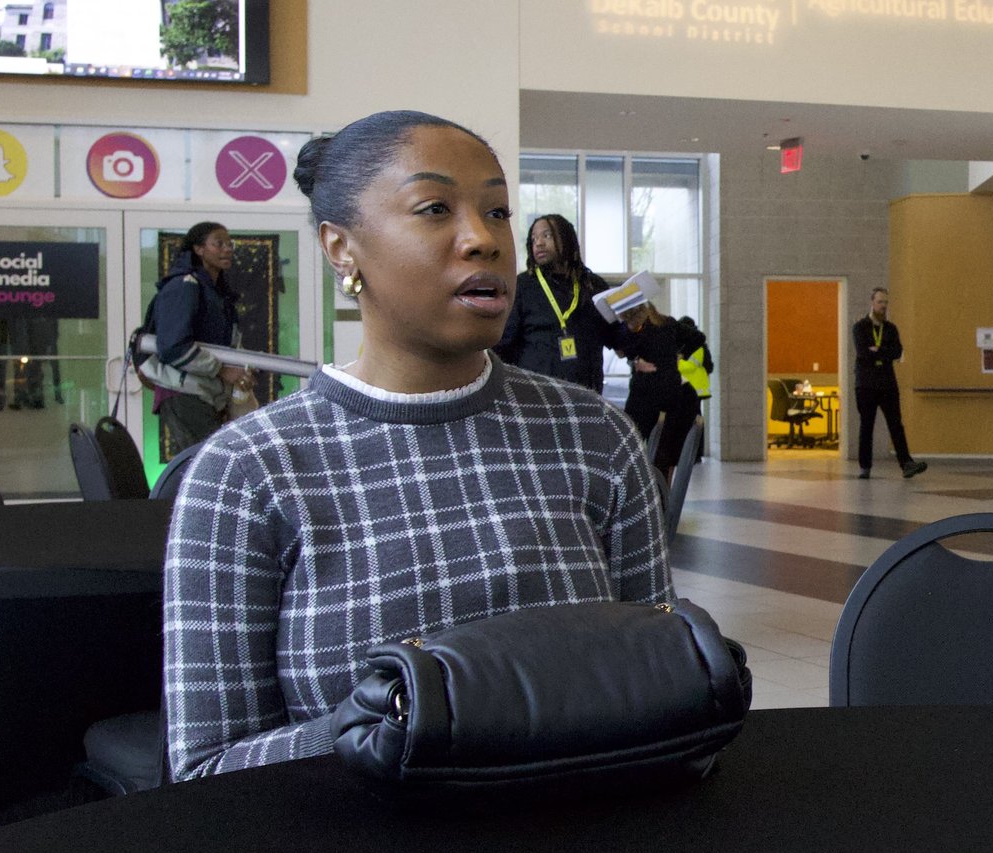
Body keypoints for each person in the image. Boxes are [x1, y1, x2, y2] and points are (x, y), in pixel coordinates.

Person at [163, 111, 669, 780]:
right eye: (434, 208)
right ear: (342, 247)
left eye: (498, 211)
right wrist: (394, 725)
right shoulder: (247, 472)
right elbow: (207, 769)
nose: (483, 239)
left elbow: (660, 692)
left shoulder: (596, 437)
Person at [140, 221, 248, 451]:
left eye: (230, 244)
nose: (227, 249)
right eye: (218, 244)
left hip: (205, 393)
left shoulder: (217, 294)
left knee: (208, 463)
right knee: (204, 464)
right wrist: (221, 370)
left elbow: (225, 344)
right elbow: (173, 346)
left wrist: (239, 373)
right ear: (199, 249)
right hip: (184, 393)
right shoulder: (184, 286)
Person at [495, 212, 625, 391]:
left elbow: (617, 341)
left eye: (546, 235)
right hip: (536, 398)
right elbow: (503, 346)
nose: (538, 243)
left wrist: (634, 323)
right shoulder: (522, 287)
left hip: (587, 398)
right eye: (533, 239)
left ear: (566, 238)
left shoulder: (593, 285)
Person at [619, 299, 711, 481]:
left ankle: (636, 487)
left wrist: (635, 361)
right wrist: (678, 355)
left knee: (632, 440)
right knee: (665, 448)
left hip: (643, 392)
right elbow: (698, 338)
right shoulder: (668, 323)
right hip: (670, 391)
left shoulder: (634, 330)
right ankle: (663, 493)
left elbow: (623, 350)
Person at [852, 287, 927, 481]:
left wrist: (878, 350)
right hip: (866, 384)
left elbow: (897, 352)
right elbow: (863, 353)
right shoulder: (860, 327)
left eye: (886, 302)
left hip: (887, 384)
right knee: (866, 426)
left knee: (896, 425)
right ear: (872, 302)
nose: (883, 306)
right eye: (880, 302)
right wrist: (881, 352)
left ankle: (907, 463)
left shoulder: (891, 329)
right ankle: (865, 467)